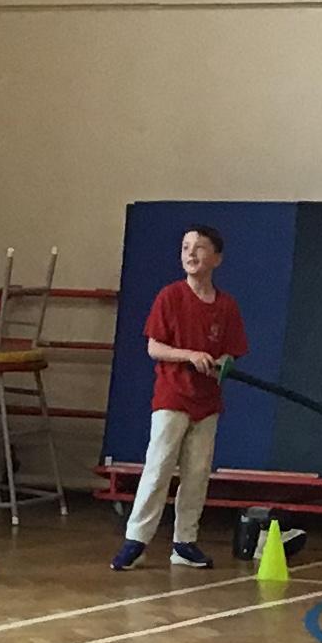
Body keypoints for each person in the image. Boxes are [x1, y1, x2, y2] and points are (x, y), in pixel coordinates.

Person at [114, 224, 247, 572]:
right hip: (173, 395)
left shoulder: (227, 306)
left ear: (216, 258)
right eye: (186, 247)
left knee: (198, 471)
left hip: (208, 402)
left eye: (199, 247)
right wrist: (190, 355)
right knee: (158, 466)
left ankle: (185, 542)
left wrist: (221, 364)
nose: (191, 254)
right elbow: (154, 347)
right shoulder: (170, 296)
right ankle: (136, 539)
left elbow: (233, 352)